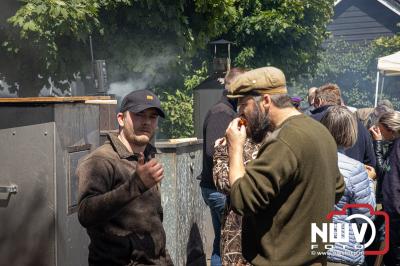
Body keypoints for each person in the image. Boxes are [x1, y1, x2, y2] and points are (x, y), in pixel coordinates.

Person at [225, 66, 345, 265]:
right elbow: (337, 189)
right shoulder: (320, 131)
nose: (239, 113)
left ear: (265, 100)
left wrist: (235, 148)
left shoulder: (284, 141)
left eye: (243, 104)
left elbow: (242, 200)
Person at [76, 89, 173, 266]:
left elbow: (152, 223)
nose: (146, 122)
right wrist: (135, 185)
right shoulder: (100, 160)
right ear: (121, 118)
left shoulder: (147, 156)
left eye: (152, 117)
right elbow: (85, 213)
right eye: (139, 115)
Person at [213, 98, 271, 265]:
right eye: (239, 104)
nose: (240, 109)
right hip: (236, 238)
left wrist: (226, 152)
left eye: (246, 103)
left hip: (266, 238)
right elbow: (223, 183)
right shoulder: (234, 140)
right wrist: (225, 151)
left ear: (263, 104)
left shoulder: (276, 141)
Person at [199, 67, 245, 266]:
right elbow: (212, 150)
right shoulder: (222, 112)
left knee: (222, 241)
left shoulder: (226, 110)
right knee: (228, 243)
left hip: (217, 189)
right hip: (219, 190)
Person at [320, 106, 376, 266]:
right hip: (341, 251)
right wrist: (370, 181)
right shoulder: (355, 169)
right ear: (351, 131)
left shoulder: (305, 161)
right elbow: (365, 215)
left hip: (307, 247)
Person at [311, 83, 376, 168]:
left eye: (314, 104)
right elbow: (371, 164)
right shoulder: (359, 125)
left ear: (319, 101)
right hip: (355, 177)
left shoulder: (309, 122)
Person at [369, 111, 400, 266]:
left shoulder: (397, 147)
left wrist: (378, 143)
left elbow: (386, 173)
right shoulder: (395, 144)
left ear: (391, 130)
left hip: (394, 216)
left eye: (381, 129)